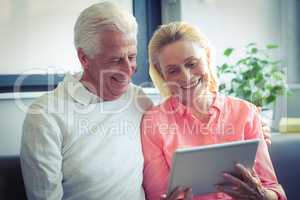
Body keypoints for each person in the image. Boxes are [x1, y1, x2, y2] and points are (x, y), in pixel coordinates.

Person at [20, 2, 152, 200]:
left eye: (132, 57)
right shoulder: (45, 115)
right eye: (116, 60)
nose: (128, 69)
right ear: (84, 58)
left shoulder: (139, 99)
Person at [141, 22, 286, 200]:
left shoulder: (245, 112)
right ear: (162, 75)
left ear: (208, 58)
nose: (186, 77)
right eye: (173, 70)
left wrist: (262, 195)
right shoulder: (154, 122)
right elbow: (157, 195)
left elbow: (274, 189)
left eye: (192, 64)